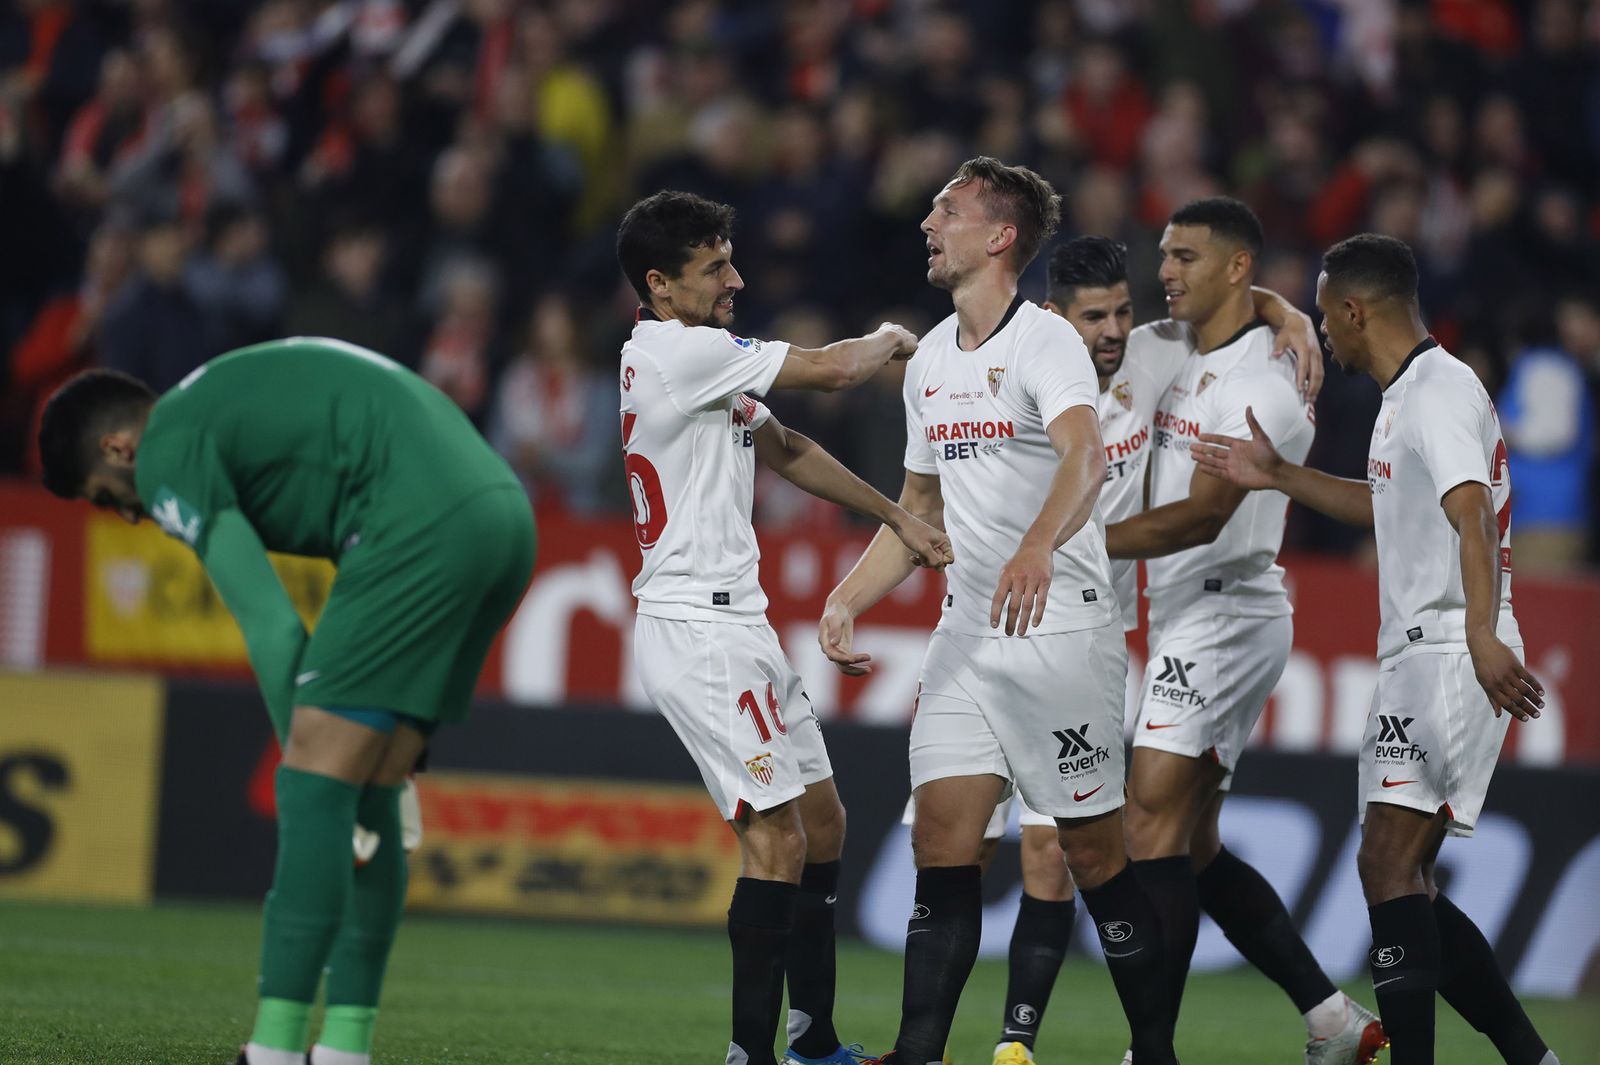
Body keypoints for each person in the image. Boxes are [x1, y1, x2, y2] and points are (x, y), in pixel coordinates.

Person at [36, 338, 537, 1065]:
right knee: (372, 793)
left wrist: (307, 751)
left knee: (315, 782)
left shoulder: (168, 444)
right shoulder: (229, 402)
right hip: (502, 519)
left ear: (118, 447)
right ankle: (344, 1048)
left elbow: (272, 627)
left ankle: (272, 1051)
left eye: (111, 499)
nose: (132, 514)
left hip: (419, 522)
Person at [821, 157, 1180, 1065]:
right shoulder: (931, 360)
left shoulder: (1047, 340)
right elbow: (919, 516)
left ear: (1000, 236)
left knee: (1094, 857)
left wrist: (1035, 544)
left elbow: (1086, 460)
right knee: (943, 839)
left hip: (1062, 625)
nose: (928, 225)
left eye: (947, 210)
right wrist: (847, 598)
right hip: (968, 632)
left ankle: (1156, 1052)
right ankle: (918, 1055)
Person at [1192, 233, 1563, 1065]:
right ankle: (1534, 1059)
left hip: (1448, 647)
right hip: (1423, 648)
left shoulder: (1435, 391)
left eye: (1326, 315)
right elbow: (1392, 506)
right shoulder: (1411, 395)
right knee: (1406, 880)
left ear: (1356, 310)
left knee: (1387, 862)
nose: (1324, 330)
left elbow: (1470, 512)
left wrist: (1478, 633)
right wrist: (1280, 474)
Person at [614, 190, 953, 1065]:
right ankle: (750, 1055)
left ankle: (814, 1041)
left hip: (741, 625)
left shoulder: (701, 364)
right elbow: (840, 370)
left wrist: (899, 520)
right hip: (697, 629)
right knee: (776, 837)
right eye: (713, 268)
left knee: (823, 822)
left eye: (731, 259)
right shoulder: (679, 351)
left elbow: (790, 447)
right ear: (659, 285)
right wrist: (888, 334)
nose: (736, 279)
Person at [1102, 198, 1383, 1065]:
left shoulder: (1273, 385)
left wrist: (1066, 547)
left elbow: (1197, 519)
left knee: (1146, 819)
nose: (1166, 271)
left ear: (1234, 266)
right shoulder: (1167, 346)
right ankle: (1332, 1019)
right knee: (1192, 841)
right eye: (1164, 254)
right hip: (1183, 610)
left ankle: (1152, 1051)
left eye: (1186, 255)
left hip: (1228, 609)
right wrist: (1281, 302)